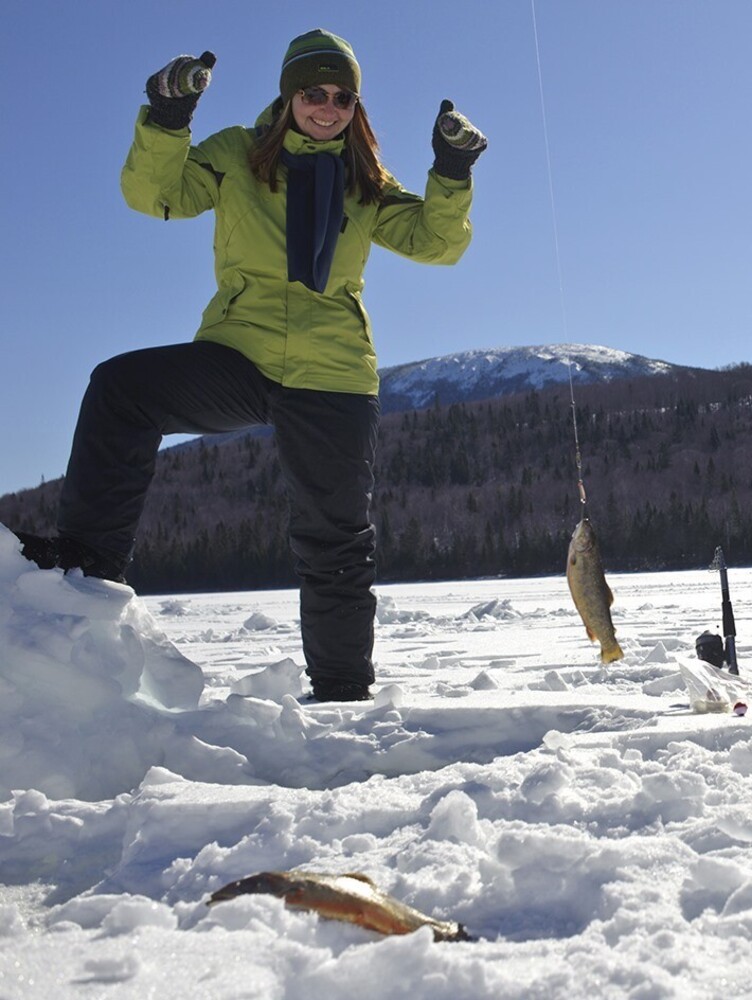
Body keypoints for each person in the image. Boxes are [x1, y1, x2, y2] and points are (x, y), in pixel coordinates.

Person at [13, 30, 487, 703]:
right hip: (241, 354)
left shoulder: (365, 182)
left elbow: (438, 244)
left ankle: (342, 690)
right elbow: (157, 195)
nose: (327, 107)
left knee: (335, 540)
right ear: (289, 93)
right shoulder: (237, 154)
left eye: (342, 97)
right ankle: (90, 561)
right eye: (314, 92)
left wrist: (452, 168)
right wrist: (167, 116)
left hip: (332, 374)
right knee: (122, 388)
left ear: (356, 106)